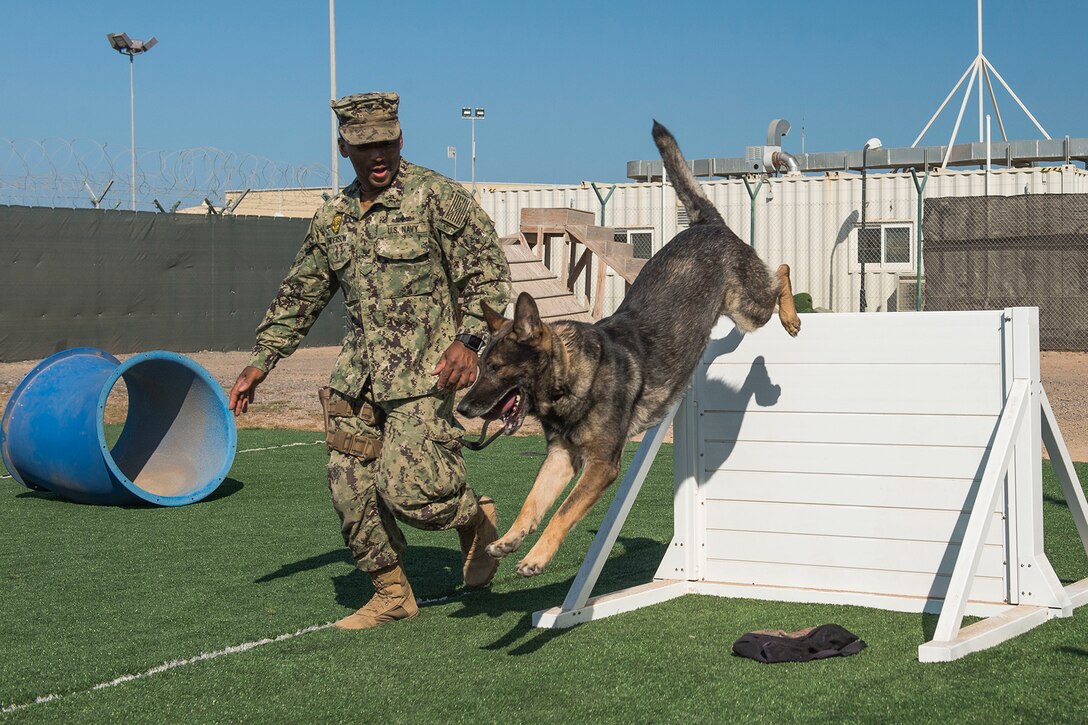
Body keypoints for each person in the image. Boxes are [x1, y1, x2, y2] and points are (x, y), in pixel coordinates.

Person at [229, 92, 511, 630]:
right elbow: (302, 293)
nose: (377, 156)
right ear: (344, 148)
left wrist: (470, 341)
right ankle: (391, 593)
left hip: (425, 374)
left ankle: (475, 520)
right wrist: (261, 361)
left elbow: (488, 276)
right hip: (357, 380)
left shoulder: (437, 198)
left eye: (385, 143)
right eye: (364, 147)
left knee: (413, 491)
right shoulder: (334, 217)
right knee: (349, 486)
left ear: (400, 139)